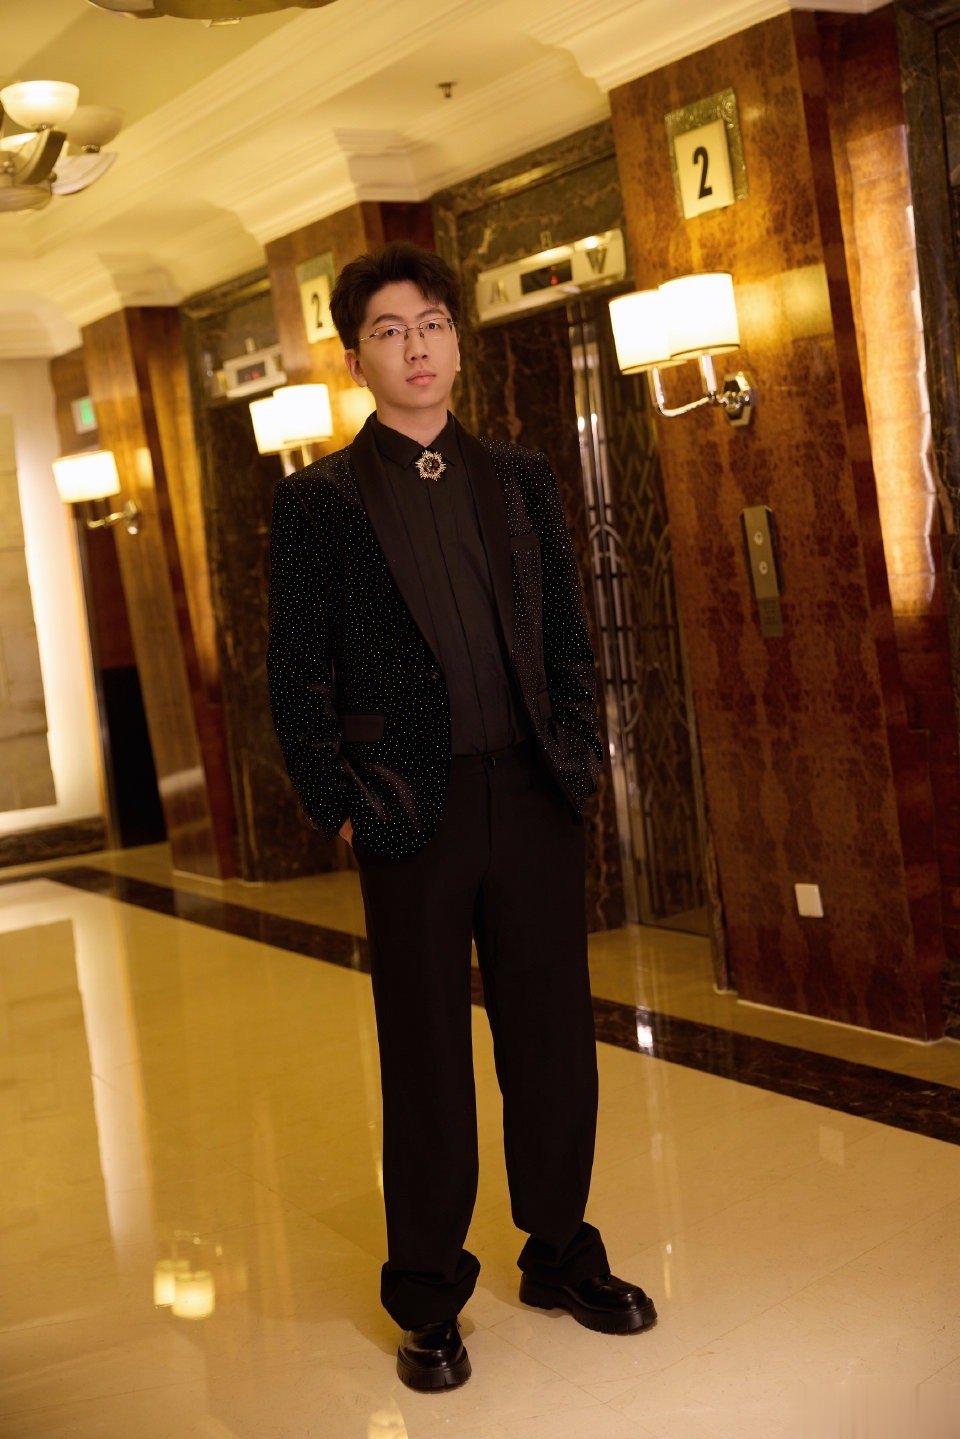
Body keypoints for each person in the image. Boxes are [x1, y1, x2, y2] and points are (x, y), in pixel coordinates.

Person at [266, 240, 656, 1392]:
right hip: (408, 810)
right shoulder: (319, 503)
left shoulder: (522, 476)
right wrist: (337, 802)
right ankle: (429, 1293)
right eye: (390, 331)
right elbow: (293, 671)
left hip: (531, 794)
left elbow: (568, 631)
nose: (417, 346)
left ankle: (560, 1251)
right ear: (357, 358)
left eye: (432, 323)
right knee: (426, 1056)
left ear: (455, 338)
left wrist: (577, 756)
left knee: (553, 1040)